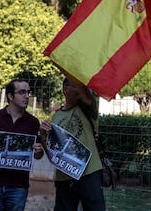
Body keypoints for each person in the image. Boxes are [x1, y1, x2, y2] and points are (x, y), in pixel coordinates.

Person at [0, 79, 44, 211]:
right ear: (10, 96)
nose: (27, 96)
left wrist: (38, 151)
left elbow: (38, 155)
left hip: (18, 187)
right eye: (22, 92)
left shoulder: (33, 122)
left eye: (28, 92)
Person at [39, 75, 105, 211]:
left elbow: (86, 95)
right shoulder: (56, 116)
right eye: (75, 86)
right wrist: (43, 135)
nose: (79, 90)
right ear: (65, 89)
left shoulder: (88, 108)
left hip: (89, 173)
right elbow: (51, 153)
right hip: (64, 176)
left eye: (81, 87)